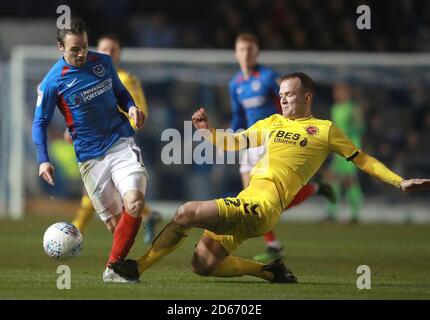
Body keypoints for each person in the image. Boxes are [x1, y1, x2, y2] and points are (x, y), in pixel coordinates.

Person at [109, 72, 430, 283]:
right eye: (281, 94)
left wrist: (399, 181)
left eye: (290, 94)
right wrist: (207, 132)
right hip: (247, 199)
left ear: (308, 97)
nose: (284, 99)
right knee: (202, 264)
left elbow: (363, 160)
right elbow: (234, 143)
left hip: (265, 206)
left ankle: (137, 268)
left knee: (186, 212)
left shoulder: (326, 130)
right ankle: (268, 271)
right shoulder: (272, 121)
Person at [32, 18, 147, 283]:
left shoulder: (103, 62)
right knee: (115, 225)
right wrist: (43, 160)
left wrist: (130, 107)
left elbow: (121, 93)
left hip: (120, 143)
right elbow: (40, 122)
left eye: (84, 46)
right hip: (90, 159)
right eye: (75, 49)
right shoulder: (52, 83)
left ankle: (112, 269)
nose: (81, 53)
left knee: (135, 202)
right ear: (60, 47)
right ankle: (117, 267)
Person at [229, 33, 335, 262]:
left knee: (258, 201)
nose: (246, 54)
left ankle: (311, 192)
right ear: (236, 53)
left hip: (271, 140)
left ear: (257, 53)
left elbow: (287, 101)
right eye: (242, 50)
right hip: (250, 143)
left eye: (250, 50)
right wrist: (232, 138)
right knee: (251, 200)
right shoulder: (235, 84)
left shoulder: (268, 77)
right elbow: (238, 115)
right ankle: (275, 243)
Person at [70, 34, 162, 243]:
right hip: (95, 144)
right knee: (101, 195)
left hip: (119, 143)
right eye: (104, 49)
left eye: (113, 50)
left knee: (96, 195)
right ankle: (147, 216)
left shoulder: (126, 78)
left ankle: (72, 235)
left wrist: (119, 132)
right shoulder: (88, 78)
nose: (108, 53)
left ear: (119, 54)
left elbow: (140, 110)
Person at [325, 83, 364, 223]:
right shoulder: (335, 108)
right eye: (335, 91)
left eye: (339, 91)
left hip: (351, 147)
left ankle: (355, 215)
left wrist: (356, 121)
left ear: (347, 93)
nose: (336, 94)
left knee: (349, 180)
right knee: (331, 178)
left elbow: (361, 128)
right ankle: (331, 213)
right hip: (338, 147)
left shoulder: (353, 108)